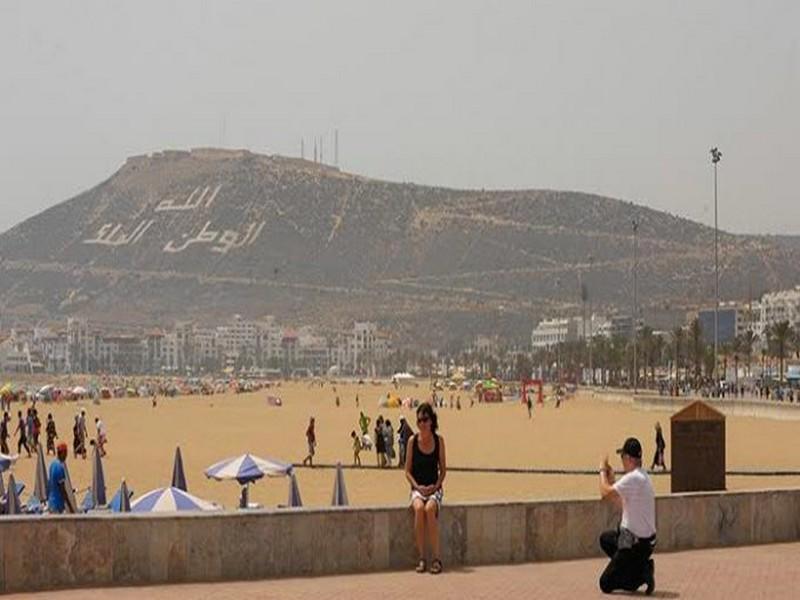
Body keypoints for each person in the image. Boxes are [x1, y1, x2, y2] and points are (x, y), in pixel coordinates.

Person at [598, 437, 656, 595]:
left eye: (623, 457)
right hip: (635, 541)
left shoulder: (634, 478)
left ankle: (640, 574)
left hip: (636, 545)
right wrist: (612, 480)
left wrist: (602, 471)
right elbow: (622, 504)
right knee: (606, 539)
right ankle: (635, 567)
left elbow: (605, 493)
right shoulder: (641, 476)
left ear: (629, 459)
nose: (622, 461)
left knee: (605, 584)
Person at [405, 402, 447, 575]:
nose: (422, 424)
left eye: (425, 419)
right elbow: (407, 471)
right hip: (417, 488)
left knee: (430, 509)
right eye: (419, 420)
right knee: (419, 508)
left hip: (434, 488)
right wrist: (418, 488)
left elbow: (443, 471)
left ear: (432, 421)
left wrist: (434, 487)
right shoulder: (412, 441)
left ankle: (436, 559)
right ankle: (422, 558)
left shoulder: (439, 441)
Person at [47, 442, 73, 514]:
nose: (66, 456)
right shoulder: (60, 467)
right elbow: (62, 490)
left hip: (51, 502)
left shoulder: (52, 464)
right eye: (66, 453)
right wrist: (70, 507)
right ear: (62, 453)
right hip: (57, 504)